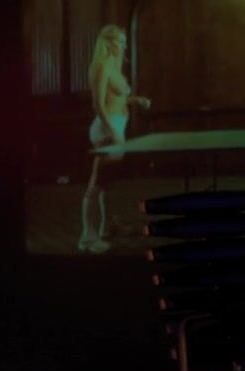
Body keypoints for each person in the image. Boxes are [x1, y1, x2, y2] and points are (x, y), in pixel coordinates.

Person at [79, 24, 151, 253]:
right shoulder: (102, 66)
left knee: (105, 183)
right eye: (120, 41)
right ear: (109, 43)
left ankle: (104, 228)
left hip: (115, 127)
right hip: (106, 130)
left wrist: (136, 100)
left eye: (124, 41)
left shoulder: (114, 66)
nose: (124, 46)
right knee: (95, 184)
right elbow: (98, 104)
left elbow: (116, 99)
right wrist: (113, 132)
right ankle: (87, 238)